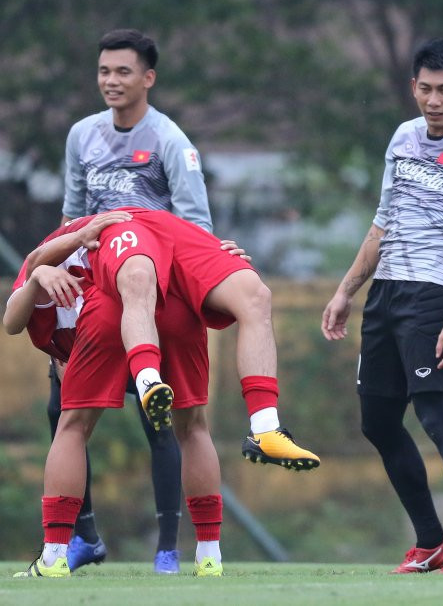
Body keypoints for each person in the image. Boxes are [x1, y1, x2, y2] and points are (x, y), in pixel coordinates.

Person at [5, 208, 320, 578]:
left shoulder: (66, 261)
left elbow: (15, 311)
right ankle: (210, 554)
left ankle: (54, 556)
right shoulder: (60, 279)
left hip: (123, 282)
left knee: (72, 426)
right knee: (194, 426)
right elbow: (30, 279)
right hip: (171, 301)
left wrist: (41, 268)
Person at [322, 38, 443, 574]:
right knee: (377, 422)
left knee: (436, 416)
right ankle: (432, 543)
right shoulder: (403, 137)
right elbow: (384, 219)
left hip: (434, 295)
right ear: (413, 88)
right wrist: (346, 290)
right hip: (386, 292)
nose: (433, 100)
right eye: (424, 89)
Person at [57, 28, 213, 574]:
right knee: (63, 408)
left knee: (160, 420)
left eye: (123, 72)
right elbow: (71, 219)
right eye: (104, 71)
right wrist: (57, 295)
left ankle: (169, 548)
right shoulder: (82, 136)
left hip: (152, 296)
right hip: (95, 293)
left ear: (148, 78)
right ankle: (85, 537)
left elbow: (195, 228)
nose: (111, 81)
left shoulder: (171, 140)